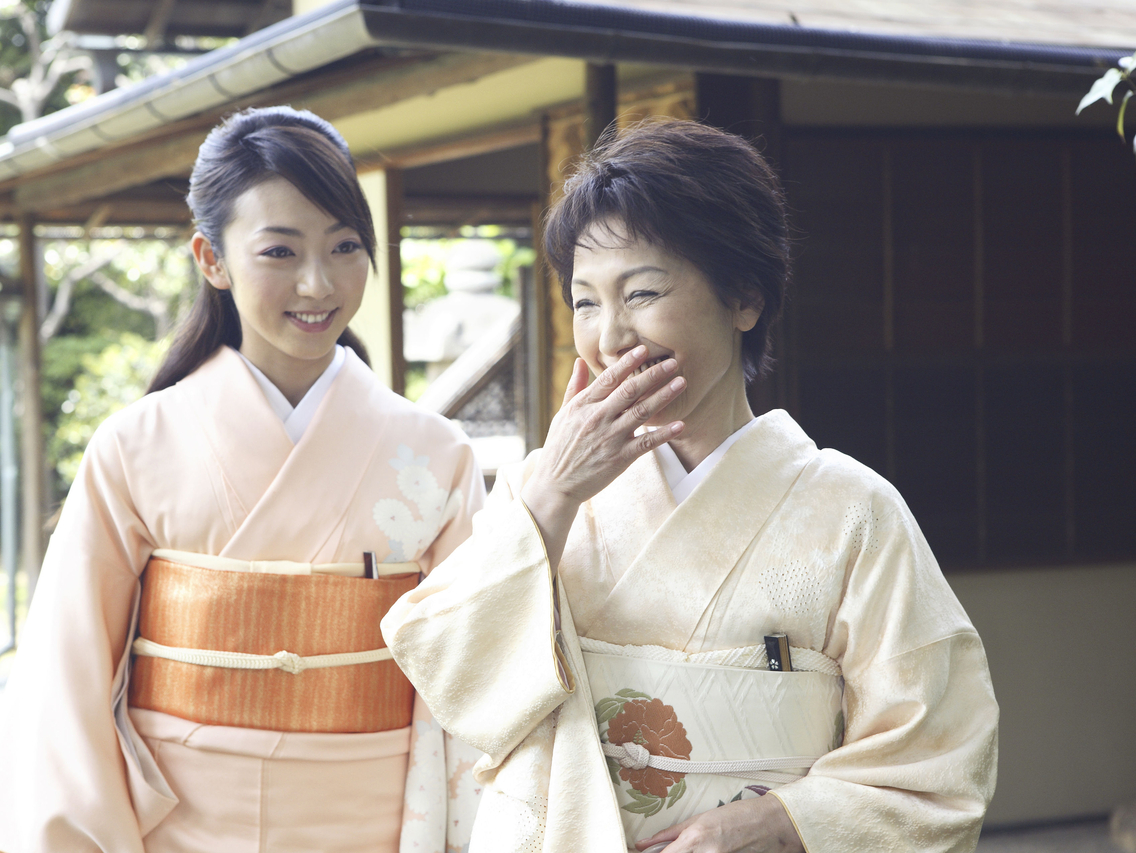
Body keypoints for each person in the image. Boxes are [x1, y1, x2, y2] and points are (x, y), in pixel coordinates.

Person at [382, 119, 998, 853]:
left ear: (744, 299)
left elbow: (938, 758)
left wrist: (780, 822)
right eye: (586, 302)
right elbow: (447, 671)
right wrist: (553, 494)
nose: (610, 336)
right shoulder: (541, 494)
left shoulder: (853, 511)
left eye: (642, 292)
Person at [0, 106, 485, 853]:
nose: (317, 282)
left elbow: (472, 676)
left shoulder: (436, 453)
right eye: (280, 251)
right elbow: (66, 675)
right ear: (212, 258)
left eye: (344, 246)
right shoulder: (133, 446)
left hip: (373, 822)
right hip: (181, 826)